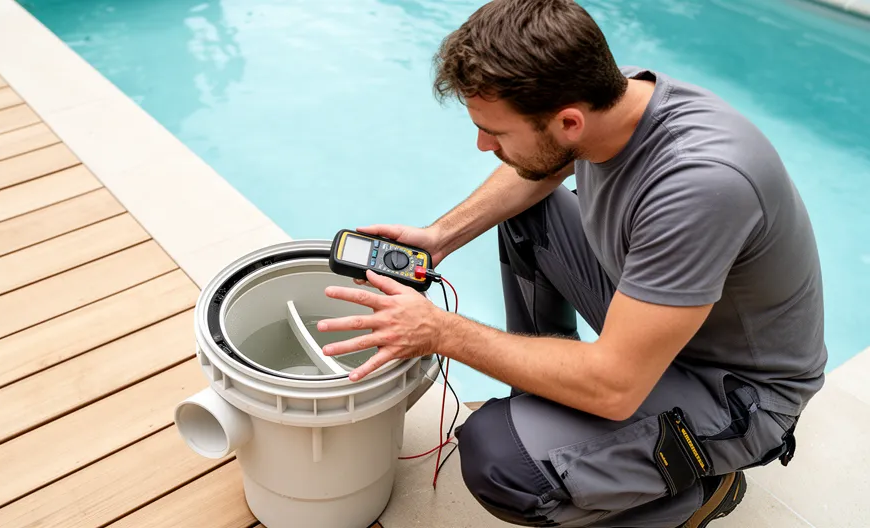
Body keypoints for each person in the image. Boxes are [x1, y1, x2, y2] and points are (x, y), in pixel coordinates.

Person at [315, 0, 828, 526]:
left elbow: (615, 386)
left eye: (496, 132)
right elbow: (537, 167)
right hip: (657, 323)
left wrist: (441, 332)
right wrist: (443, 235)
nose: (482, 143)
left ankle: (693, 496)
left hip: (734, 390)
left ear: (568, 122)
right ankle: (552, 408)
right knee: (525, 217)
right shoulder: (610, 93)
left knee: (501, 461)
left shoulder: (700, 184)